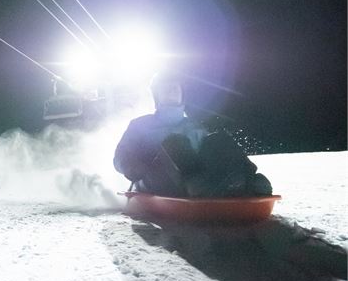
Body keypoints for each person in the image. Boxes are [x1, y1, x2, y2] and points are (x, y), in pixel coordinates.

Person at [113, 73, 272, 198]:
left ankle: (247, 180)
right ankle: (196, 184)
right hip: (153, 179)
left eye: (175, 89)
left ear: (182, 94)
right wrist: (130, 166)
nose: (172, 92)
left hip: (198, 183)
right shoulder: (141, 125)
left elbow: (210, 154)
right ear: (157, 96)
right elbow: (121, 156)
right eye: (166, 89)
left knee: (218, 139)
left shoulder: (194, 126)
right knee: (175, 143)